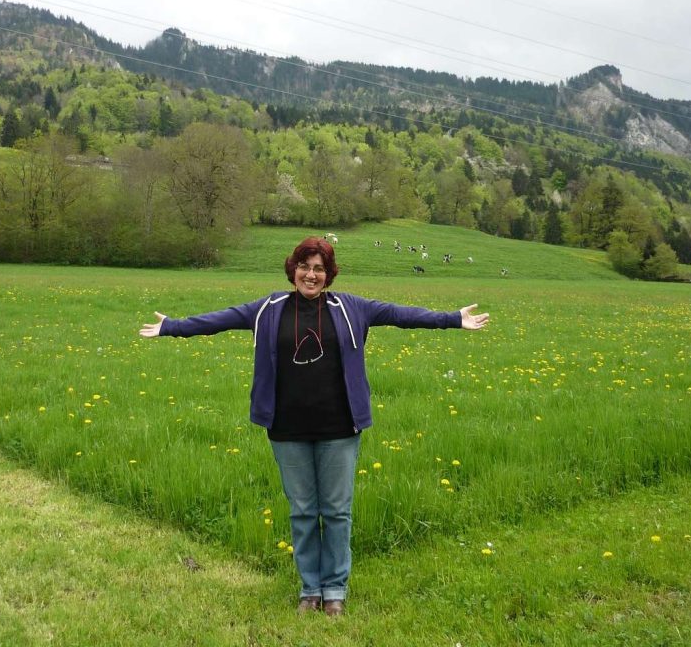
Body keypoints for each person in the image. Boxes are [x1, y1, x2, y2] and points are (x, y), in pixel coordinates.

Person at [139, 236, 488, 616]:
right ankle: (310, 588)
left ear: (328, 274)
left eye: (319, 268)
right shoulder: (268, 308)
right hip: (287, 428)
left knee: (337, 511)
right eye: (305, 266)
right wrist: (172, 327)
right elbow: (218, 320)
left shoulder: (351, 307)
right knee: (303, 510)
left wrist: (453, 319)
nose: (311, 274)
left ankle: (335, 589)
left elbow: (402, 315)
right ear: (293, 270)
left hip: (339, 427)